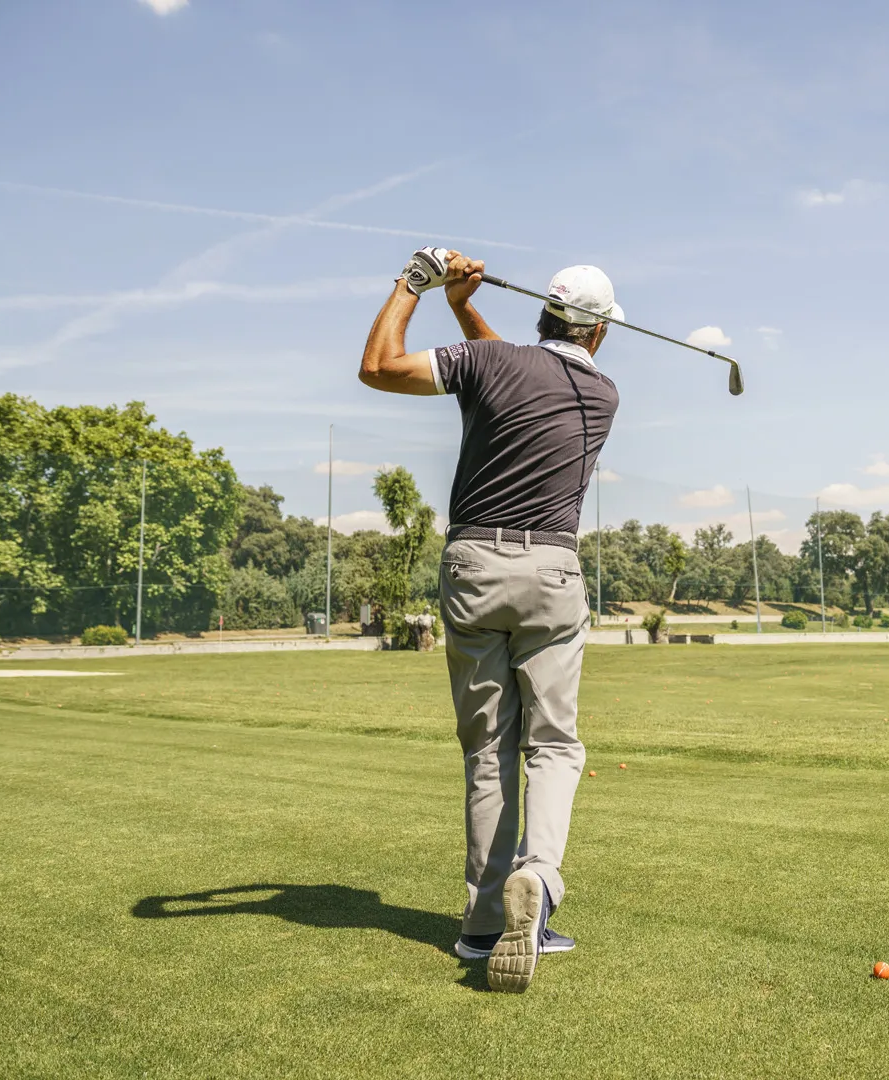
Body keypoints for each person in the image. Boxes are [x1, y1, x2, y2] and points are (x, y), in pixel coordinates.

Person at [357, 247, 620, 993]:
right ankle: (536, 883)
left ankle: (480, 923)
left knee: (487, 749)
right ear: (597, 334)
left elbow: (379, 366)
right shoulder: (602, 393)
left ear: (542, 311)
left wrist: (421, 283)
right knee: (555, 745)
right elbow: (506, 359)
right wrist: (463, 307)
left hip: (473, 566)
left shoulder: (488, 366)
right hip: (552, 572)